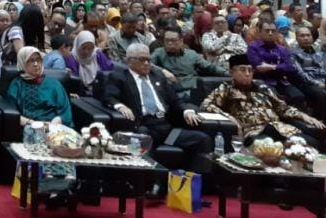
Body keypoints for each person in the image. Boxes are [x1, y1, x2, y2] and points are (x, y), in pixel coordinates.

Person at [104, 43, 212, 172]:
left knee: (202, 139)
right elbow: (108, 96)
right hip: (143, 126)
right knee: (142, 141)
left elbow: (175, 100)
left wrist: (187, 110)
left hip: (166, 129)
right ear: (129, 61)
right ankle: (149, 186)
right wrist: (120, 106)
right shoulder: (119, 77)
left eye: (148, 59)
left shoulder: (158, 76)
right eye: (141, 59)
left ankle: (194, 183)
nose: (146, 63)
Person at [202, 54, 326, 149]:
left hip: (280, 129)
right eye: (242, 70)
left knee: (311, 144)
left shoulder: (262, 88)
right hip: (255, 132)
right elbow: (206, 105)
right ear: (231, 72)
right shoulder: (226, 88)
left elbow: (282, 108)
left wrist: (305, 116)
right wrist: (230, 118)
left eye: (250, 70)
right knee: (269, 149)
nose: (247, 74)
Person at [248, 19, 326, 117]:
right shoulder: (253, 47)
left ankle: (303, 123)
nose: (270, 33)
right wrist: (280, 67)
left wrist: (272, 67)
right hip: (263, 80)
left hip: (281, 81)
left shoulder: (281, 49)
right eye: (267, 31)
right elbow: (258, 66)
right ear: (260, 32)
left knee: (298, 96)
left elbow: (289, 67)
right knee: (275, 97)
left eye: (273, 31)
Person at [151, 28, 228, 98]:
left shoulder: (191, 54)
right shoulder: (159, 52)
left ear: (181, 41)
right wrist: (163, 71)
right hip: (170, 90)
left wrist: (227, 73)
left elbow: (209, 67)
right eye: (167, 40)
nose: (169, 43)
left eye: (173, 40)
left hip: (190, 89)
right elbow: (147, 64)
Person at [7, 46, 73, 127]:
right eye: (31, 60)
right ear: (22, 63)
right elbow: (12, 113)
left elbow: (65, 111)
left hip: (54, 128)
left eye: (38, 60)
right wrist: (32, 123)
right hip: (28, 127)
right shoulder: (17, 85)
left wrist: (54, 123)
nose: (36, 64)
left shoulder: (54, 84)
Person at [69, 30, 114, 95]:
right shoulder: (72, 58)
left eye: (90, 48)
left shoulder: (97, 54)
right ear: (77, 45)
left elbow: (109, 71)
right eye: (83, 48)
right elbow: (74, 82)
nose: (87, 51)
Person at [0, 9, 22, 80]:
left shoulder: (14, 31)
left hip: (12, 67)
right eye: (2, 21)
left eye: (7, 20)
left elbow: (20, 52)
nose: (5, 23)